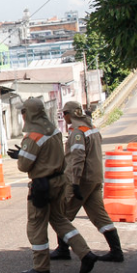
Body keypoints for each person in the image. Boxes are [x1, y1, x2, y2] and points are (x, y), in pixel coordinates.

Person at [7, 97, 99, 273]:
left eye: (23, 112)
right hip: (59, 181)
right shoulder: (54, 130)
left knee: (36, 225)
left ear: (29, 114)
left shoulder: (33, 136)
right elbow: (49, 155)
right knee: (59, 220)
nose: (22, 115)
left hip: (42, 185)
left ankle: (41, 267)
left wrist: (21, 155)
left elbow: (24, 166)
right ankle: (85, 253)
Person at [48, 101, 123, 263]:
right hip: (94, 179)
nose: (64, 118)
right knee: (99, 215)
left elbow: (77, 158)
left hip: (81, 179)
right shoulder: (91, 128)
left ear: (69, 114)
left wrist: (74, 183)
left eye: (64, 114)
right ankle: (116, 251)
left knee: (62, 214)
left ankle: (63, 249)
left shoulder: (77, 132)